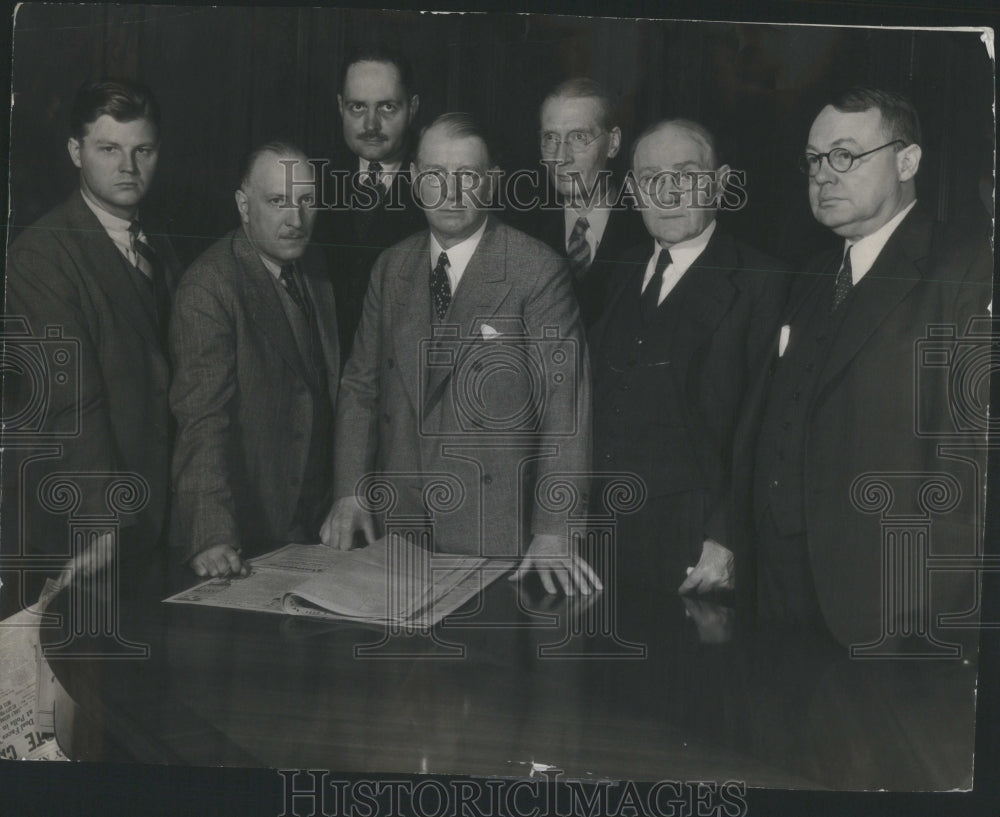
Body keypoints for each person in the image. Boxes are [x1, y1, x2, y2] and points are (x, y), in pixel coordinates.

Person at [734, 88, 991, 648]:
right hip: (777, 593)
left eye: (845, 155)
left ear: (907, 161)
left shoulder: (968, 269)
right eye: (813, 159)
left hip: (890, 608)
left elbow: (975, 463)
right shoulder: (810, 276)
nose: (823, 174)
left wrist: (929, 614)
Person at [322, 113, 600, 595]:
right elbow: (360, 387)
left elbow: (566, 407)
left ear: (492, 181)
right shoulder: (390, 268)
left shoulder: (536, 270)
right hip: (398, 526)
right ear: (414, 179)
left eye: (466, 176)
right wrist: (349, 490)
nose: (449, 192)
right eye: (435, 175)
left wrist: (555, 528)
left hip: (496, 532)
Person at [588, 119, 787, 598]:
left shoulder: (762, 281)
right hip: (598, 538)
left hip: (696, 546)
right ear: (633, 192)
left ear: (720, 183)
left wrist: (727, 538)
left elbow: (766, 427)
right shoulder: (617, 270)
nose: (669, 192)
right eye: (652, 178)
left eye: (687, 175)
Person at [2, 79, 180, 612]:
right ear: (76, 152)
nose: (128, 166)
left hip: (149, 519)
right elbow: (69, 400)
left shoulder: (160, 243)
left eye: (143, 150)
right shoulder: (40, 255)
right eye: (108, 149)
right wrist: (99, 521)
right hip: (81, 527)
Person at [169, 142, 340, 578]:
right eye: (278, 201)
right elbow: (202, 420)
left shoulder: (315, 265)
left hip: (316, 529)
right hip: (248, 537)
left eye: (307, 200)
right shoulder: (209, 288)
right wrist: (211, 534)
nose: (296, 219)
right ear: (244, 206)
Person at [317, 45, 426, 362]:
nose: (370, 125)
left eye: (387, 107)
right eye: (357, 107)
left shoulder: (440, 186)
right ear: (340, 106)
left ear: (412, 108)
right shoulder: (313, 180)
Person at [518, 78, 646, 328]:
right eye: (551, 138)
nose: (561, 157)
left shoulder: (648, 230)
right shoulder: (523, 233)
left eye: (579, 137)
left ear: (613, 143)